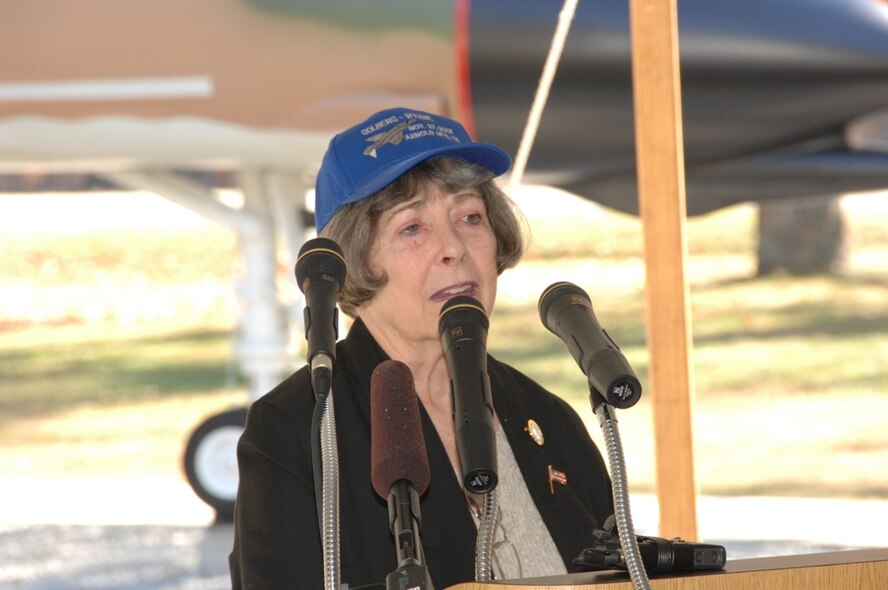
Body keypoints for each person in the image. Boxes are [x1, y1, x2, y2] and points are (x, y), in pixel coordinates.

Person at [229, 107, 614, 589]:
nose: (454, 247)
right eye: (412, 227)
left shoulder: (549, 418)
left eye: (470, 216)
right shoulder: (297, 432)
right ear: (354, 260)